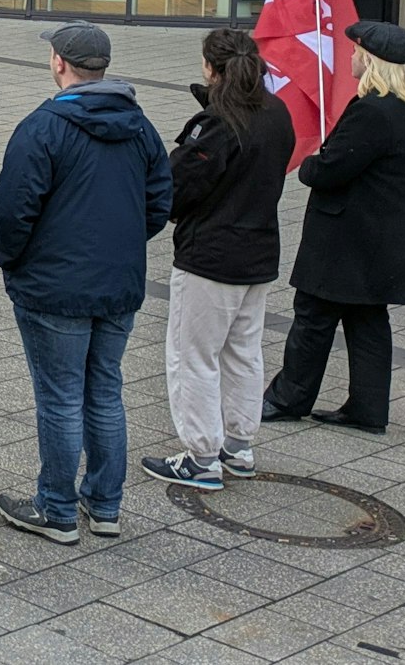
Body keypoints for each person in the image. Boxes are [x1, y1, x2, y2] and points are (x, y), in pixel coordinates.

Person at [0, 22, 171, 544]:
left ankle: (57, 508)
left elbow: (14, 209)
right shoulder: (141, 126)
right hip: (117, 286)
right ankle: (105, 504)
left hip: (54, 290)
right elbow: (159, 202)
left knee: (61, 397)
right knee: (105, 390)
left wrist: (12, 261)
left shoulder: (43, 127)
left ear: (59, 63)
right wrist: (121, 249)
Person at [140, 29, 296, 490]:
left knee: (194, 356)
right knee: (243, 353)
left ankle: (202, 455)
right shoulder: (278, 113)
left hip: (211, 256)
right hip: (259, 253)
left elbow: (177, 187)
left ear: (212, 68)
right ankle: (238, 445)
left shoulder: (219, 122)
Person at [262, 21, 405, 435]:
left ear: (370, 59)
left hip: (348, 239)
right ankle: (368, 410)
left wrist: (314, 161)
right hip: (387, 238)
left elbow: (330, 171)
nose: (350, 56)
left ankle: (288, 398)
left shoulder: (372, 110)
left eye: (355, 51)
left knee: (313, 317)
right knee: (367, 320)